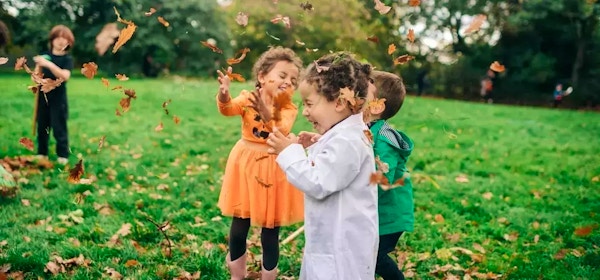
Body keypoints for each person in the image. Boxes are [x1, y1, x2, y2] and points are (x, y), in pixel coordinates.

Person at [266, 52, 378, 280]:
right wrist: (318, 144)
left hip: (341, 250)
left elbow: (317, 181)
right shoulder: (346, 135)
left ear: (338, 102)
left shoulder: (348, 142)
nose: (305, 111)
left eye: (309, 104)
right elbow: (334, 167)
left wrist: (289, 152)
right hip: (331, 240)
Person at [215, 46, 304, 280]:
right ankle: (237, 274)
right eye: (282, 75)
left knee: (270, 230)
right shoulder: (247, 98)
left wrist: (266, 111)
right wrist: (224, 94)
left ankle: (268, 276)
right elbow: (229, 109)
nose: (288, 82)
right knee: (239, 224)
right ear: (263, 77)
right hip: (245, 164)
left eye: (293, 80)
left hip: (272, 166)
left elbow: (282, 128)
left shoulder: (288, 107)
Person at [365, 71, 414, 280]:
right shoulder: (365, 128)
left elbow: (383, 179)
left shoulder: (384, 139)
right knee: (365, 254)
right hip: (377, 213)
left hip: (389, 215)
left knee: (373, 256)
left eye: (362, 91)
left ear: (376, 106)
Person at [33, 25, 75, 165]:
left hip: (59, 99)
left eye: (64, 38)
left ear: (69, 42)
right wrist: (39, 67)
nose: (61, 41)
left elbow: (65, 76)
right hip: (43, 97)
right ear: (52, 40)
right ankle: (42, 153)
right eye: (57, 37)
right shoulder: (44, 56)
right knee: (42, 126)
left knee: (59, 126)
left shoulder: (67, 60)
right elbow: (35, 78)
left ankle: (62, 155)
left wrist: (48, 64)